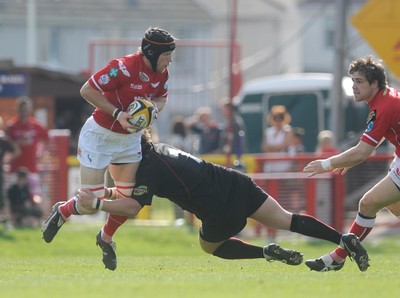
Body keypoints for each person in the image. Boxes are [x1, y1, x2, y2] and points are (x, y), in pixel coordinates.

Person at [46, 129, 367, 271]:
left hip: (216, 209)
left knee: (209, 247)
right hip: (236, 183)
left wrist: (96, 203)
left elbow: (130, 206)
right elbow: (128, 197)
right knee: (287, 219)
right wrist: (104, 196)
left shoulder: (146, 168)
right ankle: (344, 238)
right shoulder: (159, 150)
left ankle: (265, 253)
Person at [42, 27, 176, 269]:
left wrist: (152, 109)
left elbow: (162, 98)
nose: (170, 60)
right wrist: (118, 113)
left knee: (127, 201)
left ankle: (105, 238)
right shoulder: (123, 67)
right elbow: (87, 90)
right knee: (90, 206)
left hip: (129, 141)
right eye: (167, 54)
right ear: (151, 52)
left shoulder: (162, 73)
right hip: (99, 138)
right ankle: (63, 210)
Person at [303, 55, 400, 272]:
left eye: (359, 81)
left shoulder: (384, 106)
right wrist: (349, 159)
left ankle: (337, 258)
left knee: (367, 204)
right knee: (393, 205)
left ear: (374, 84)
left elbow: (362, 152)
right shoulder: (385, 98)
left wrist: (326, 164)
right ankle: (338, 258)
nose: (354, 86)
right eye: (353, 80)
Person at [5, 96, 49, 207]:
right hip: (15, 167)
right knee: (13, 193)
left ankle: (35, 217)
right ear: (18, 109)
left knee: (34, 193)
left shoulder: (35, 125)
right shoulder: (12, 125)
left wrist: (42, 152)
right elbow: (6, 144)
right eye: (22, 109)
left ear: (30, 109)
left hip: (31, 166)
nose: (24, 111)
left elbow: (46, 138)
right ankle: (14, 218)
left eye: (26, 109)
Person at [0, 117, 20, 224]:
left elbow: (16, 150)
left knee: (2, 196)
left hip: (0, 172)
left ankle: (5, 217)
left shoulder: (3, 140)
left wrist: (7, 159)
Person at [262, 105, 292, 172]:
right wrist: (275, 149)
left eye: (281, 118)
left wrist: (271, 149)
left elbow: (283, 145)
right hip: (270, 164)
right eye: (276, 118)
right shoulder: (268, 132)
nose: (278, 120)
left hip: (283, 164)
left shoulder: (287, 130)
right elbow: (265, 148)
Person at [219, 98, 247, 169]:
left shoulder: (235, 123)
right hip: (229, 156)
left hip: (234, 158)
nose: (222, 112)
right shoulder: (228, 122)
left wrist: (237, 155)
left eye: (224, 109)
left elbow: (238, 140)